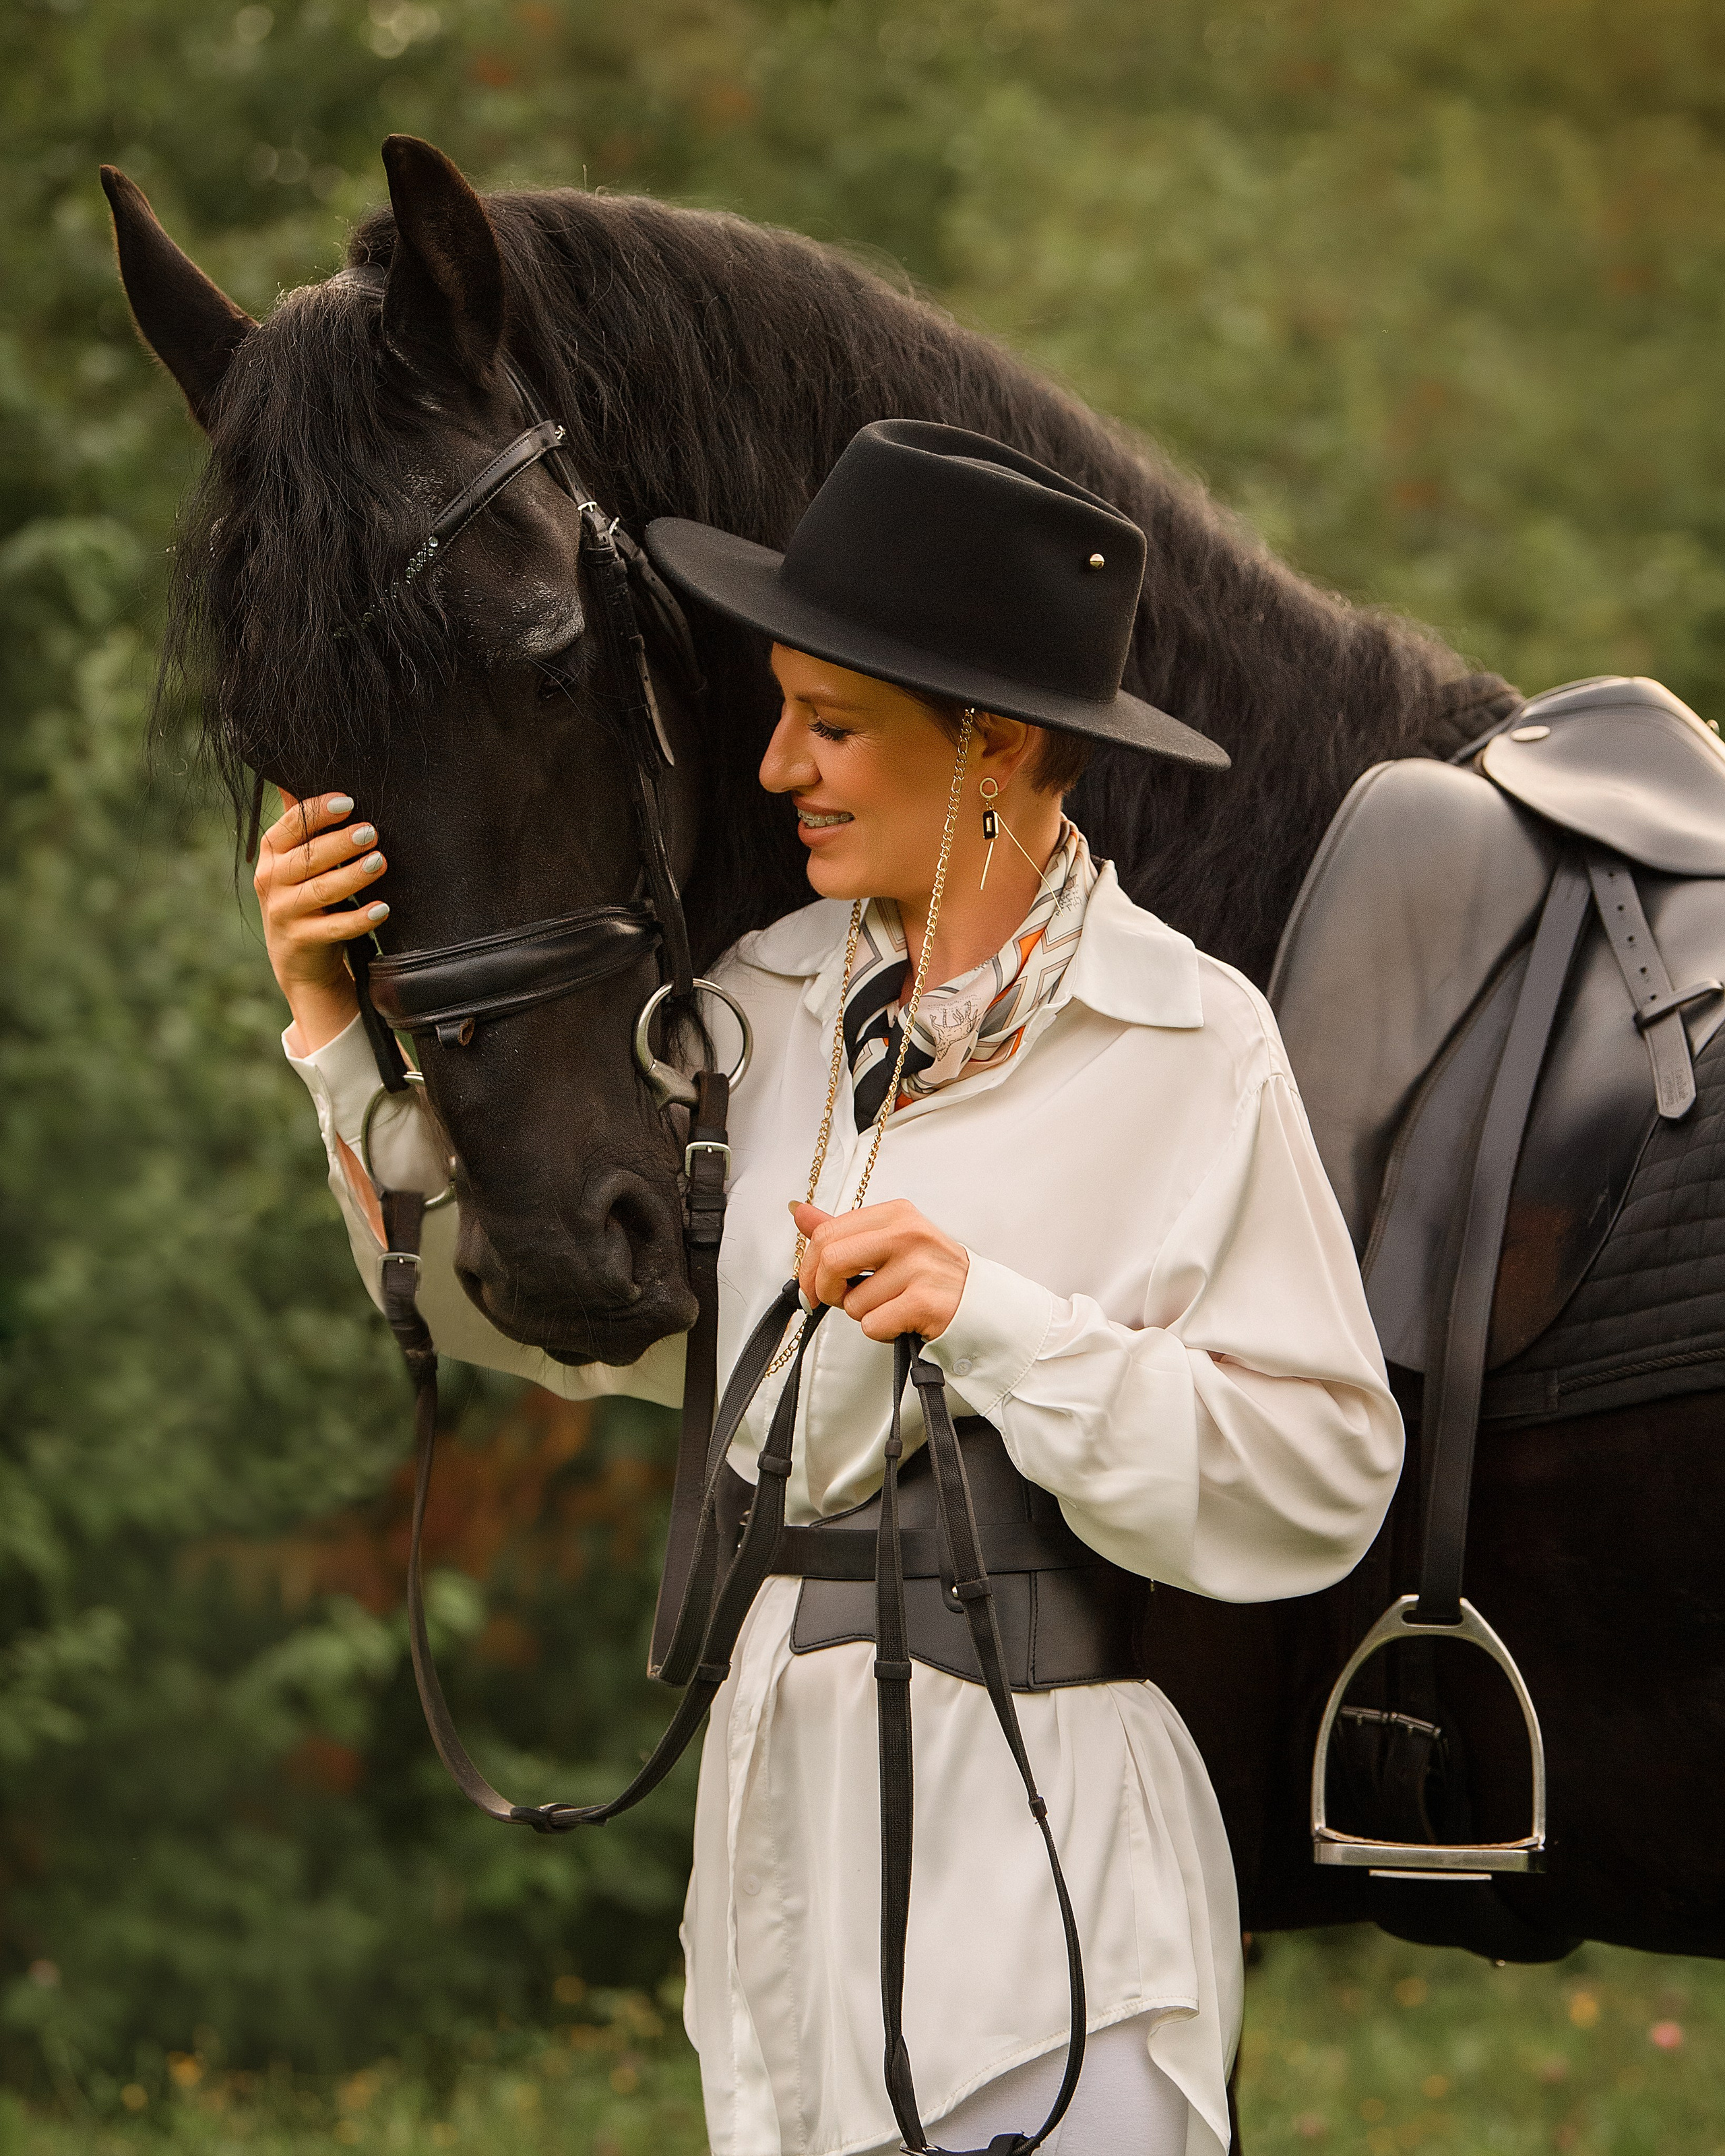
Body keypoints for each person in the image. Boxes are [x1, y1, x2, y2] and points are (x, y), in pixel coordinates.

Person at [257, 421, 1403, 2156]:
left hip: (1054, 1915)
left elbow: (1316, 1483)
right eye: (782, 706)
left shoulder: (1186, 1041)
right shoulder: (751, 1012)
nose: (776, 761)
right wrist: (337, 1029)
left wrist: (991, 1315)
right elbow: (564, 1319)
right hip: (777, 1892)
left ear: (999, 747)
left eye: (832, 723)